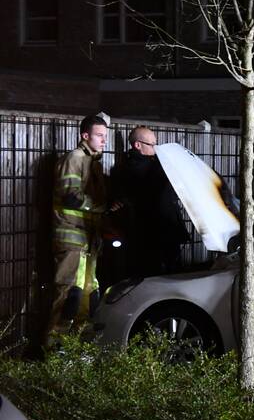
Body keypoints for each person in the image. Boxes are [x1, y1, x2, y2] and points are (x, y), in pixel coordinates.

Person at [49, 115, 111, 347]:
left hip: (88, 239)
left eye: (106, 136)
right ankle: (55, 349)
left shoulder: (94, 162)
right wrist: (100, 205)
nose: (104, 141)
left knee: (88, 294)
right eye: (99, 135)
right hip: (71, 237)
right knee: (67, 294)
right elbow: (70, 195)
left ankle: (79, 347)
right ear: (85, 136)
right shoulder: (74, 158)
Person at [110, 126, 190, 279]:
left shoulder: (151, 165)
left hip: (157, 233)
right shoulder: (137, 168)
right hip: (153, 234)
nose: (156, 148)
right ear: (137, 145)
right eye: (152, 144)